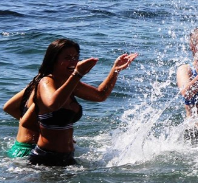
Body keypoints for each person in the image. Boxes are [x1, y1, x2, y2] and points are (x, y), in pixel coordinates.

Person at [23, 38, 137, 166]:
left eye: (76, 57)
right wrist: (77, 73)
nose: (73, 61)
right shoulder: (46, 82)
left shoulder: (71, 83)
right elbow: (53, 104)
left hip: (68, 157)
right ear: (54, 59)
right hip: (45, 159)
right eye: (67, 57)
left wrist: (115, 69)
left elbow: (100, 95)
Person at [3, 89, 39, 158]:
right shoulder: (47, 89)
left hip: (17, 148)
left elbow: (8, 107)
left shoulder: (34, 85)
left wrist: (26, 120)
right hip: (31, 151)